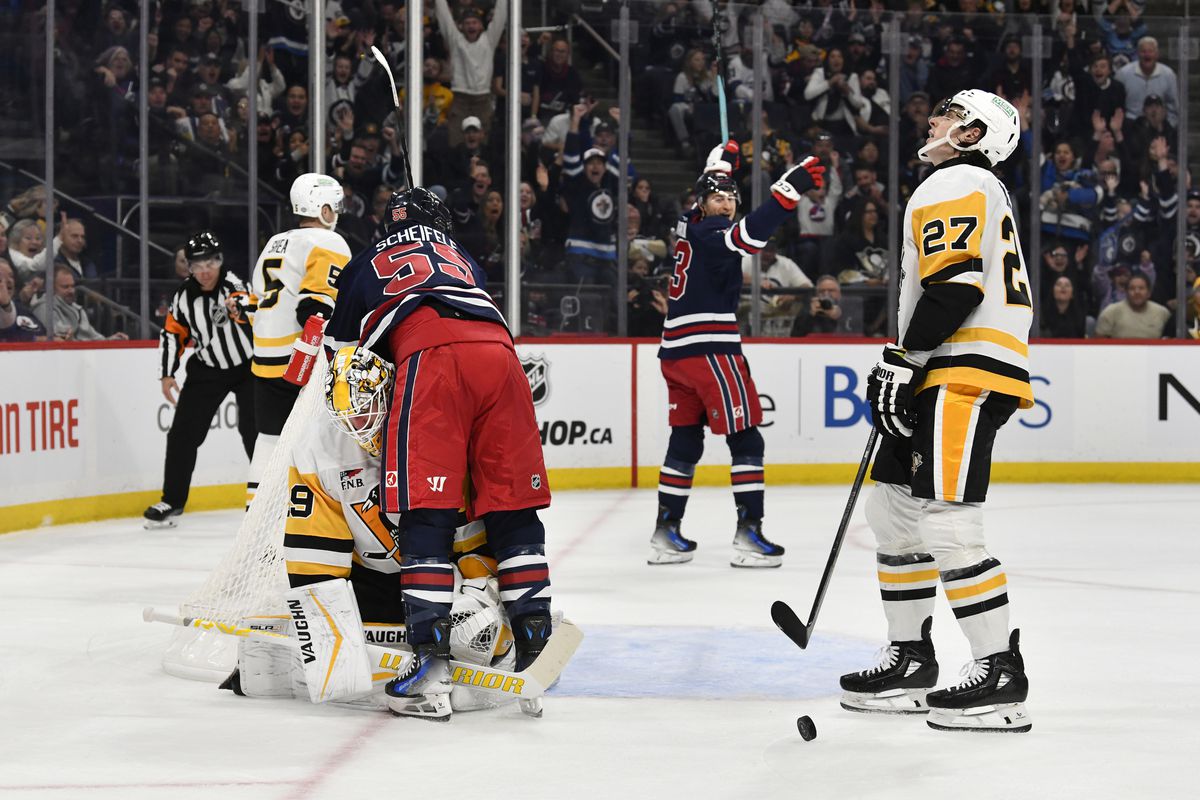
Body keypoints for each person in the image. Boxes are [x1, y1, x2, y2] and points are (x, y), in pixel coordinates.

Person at [323, 185, 554, 720]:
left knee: (426, 511)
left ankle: (429, 661)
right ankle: (536, 637)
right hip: (502, 356)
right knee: (512, 504)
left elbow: (341, 359)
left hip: (430, 359)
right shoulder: (460, 253)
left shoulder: (367, 258)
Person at [846, 90, 1033, 733]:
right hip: (944, 365)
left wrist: (906, 356)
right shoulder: (969, 185)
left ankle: (999, 671)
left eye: (948, 114)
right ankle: (911, 657)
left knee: (949, 525)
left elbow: (956, 284)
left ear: (974, 132)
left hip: (964, 369)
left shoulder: (955, 179)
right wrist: (912, 360)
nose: (932, 120)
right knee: (893, 512)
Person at [650, 140, 825, 568]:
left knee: (686, 439)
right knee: (747, 436)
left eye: (731, 197)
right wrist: (791, 187)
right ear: (702, 202)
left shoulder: (687, 223)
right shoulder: (712, 233)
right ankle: (749, 534)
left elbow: (713, 190)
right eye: (717, 197)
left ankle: (665, 533)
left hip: (675, 351)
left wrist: (724, 161)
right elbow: (751, 235)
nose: (726, 204)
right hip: (711, 348)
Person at [245, 173, 351, 508]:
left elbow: (253, 304)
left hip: (264, 358)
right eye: (333, 206)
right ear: (321, 209)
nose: (336, 213)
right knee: (322, 440)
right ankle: (315, 517)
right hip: (301, 360)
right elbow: (315, 307)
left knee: (269, 438)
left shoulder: (275, 242)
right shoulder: (329, 243)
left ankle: (256, 517)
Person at [144, 232, 256, 528]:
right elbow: (172, 334)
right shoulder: (183, 296)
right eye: (198, 265)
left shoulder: (233, 284)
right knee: (182, 434)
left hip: (249, 368)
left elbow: (253, 306)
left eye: (211, 262)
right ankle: (172, 500)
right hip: (207, 368)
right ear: (189, 267)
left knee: (254, 433)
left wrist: (244, 308)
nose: (205, 270)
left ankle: (270, 499)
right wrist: (167, 373)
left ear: (220, 261)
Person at [433, 0, 508, 146]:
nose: (471, 26)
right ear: (461, 26)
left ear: (481, 25)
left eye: (474, 22)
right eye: (467, 23)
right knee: (456, 142)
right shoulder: (455, 40)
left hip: (483, 99)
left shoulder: (489, 40)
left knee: (484, 143)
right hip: (460, 99)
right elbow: (443, 16)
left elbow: (500, 15)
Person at [1094, 272, 1169, 338]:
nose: (1137, 292)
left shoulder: (1162, 313)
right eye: (1132, 288)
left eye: (1141, 288)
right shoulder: (1111, 312)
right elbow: (1098, 344)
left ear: (1149, 293)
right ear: (1126, 292)